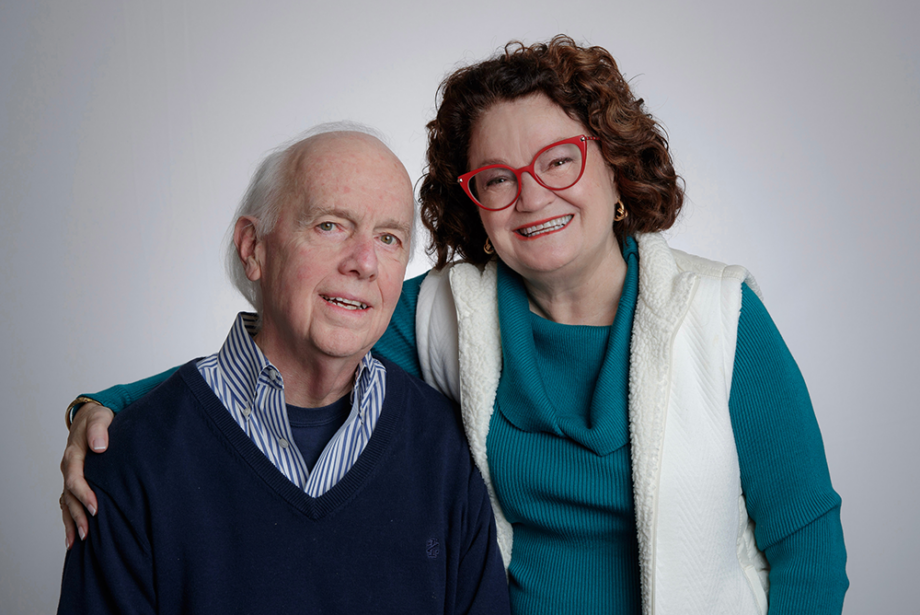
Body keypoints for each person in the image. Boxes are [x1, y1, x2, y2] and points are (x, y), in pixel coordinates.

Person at [60, 37, 848, 615]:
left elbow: (807, 544)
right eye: (497, 179)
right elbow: (285, 344)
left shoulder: (720, 317)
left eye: (561, 161)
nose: (532, 197)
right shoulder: (449, 313)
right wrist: (111, 406)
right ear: (475, 204)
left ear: (615, 167)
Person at [56, 127, 511, 614]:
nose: (364, 262)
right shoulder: (133, 458)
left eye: (388, 238)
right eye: (330, 225)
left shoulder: (442, 445)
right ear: (253, 247)